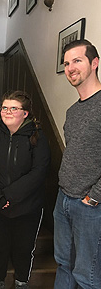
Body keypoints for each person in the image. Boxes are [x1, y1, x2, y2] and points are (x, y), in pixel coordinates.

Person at [0, 91, 50, 289]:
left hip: (28, 206)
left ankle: (21, 282)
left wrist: (9, 195)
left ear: (25, 113)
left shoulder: (38, 137)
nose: (7, 112)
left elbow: (39, 171)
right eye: (4, 108)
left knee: (24, 247)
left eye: (13, 108)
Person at [53, 39, 101, 289]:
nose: (70, 68)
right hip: (63, 201)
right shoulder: (72, 111)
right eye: (66, 63)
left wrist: (94, 198)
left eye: (77, 60)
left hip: (90, 207)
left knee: (88, 276)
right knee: (63, 264)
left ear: (94, 63)